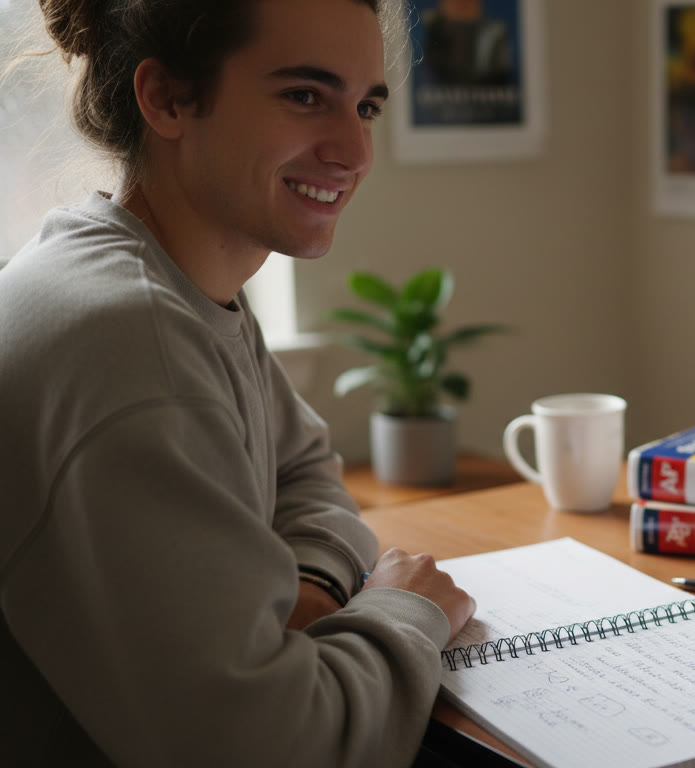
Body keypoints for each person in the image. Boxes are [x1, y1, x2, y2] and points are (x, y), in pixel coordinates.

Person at [0, 0, 478, 765]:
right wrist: (404, 611)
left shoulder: (173, 279)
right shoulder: (131, 342)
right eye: (304, 96)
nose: (354, 149)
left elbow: (306, 472)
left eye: (366, 106)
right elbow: (273, 748)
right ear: (165, 99)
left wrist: (311, 595)